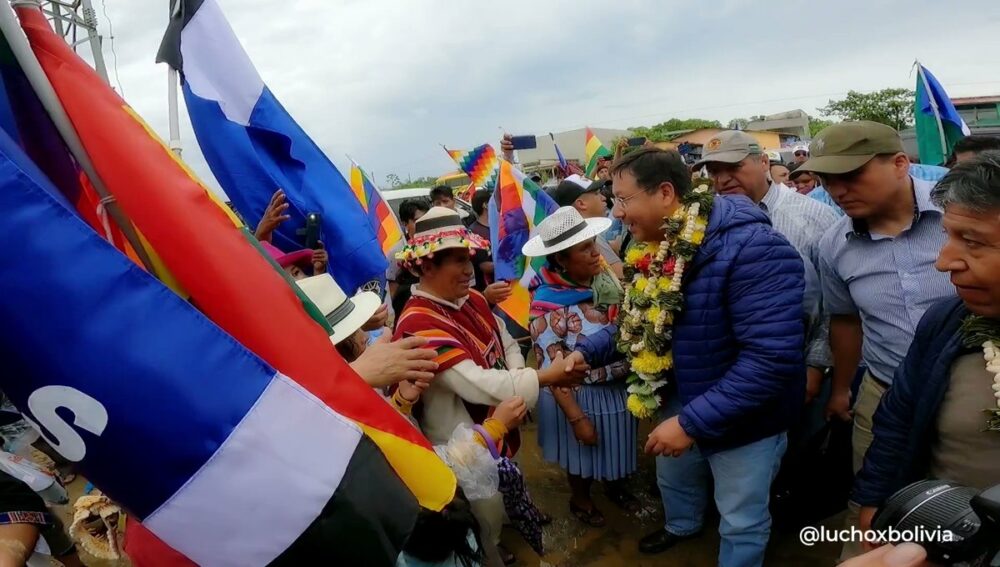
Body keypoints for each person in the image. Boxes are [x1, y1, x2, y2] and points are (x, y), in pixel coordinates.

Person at [577, 148, 805, 566]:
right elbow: (638, 314)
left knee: (740, 516)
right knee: (675, 477)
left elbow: (770, 360)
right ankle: (682, 525)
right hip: (681, 395)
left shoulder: (755, 249)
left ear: (665, 193)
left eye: (623, 200)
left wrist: (689, 423)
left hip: (745, 417)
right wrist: (584, 353)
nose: (617, 213)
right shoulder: (658, 244)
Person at [796, 121, 956, 560]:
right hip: (883, 394)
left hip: (972, 390)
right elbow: (846, 321)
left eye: (851, 175)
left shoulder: (960, 215)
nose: (838, 190)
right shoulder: (833, 246)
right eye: (828, 179)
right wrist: (842, 390)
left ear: (900, 163)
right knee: (872, 510)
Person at [392, 207, 589, 564]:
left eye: (468, 258)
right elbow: (476, 385)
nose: (469, 270)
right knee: (483, 510)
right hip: (460, 439)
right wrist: (541, 378)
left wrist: (514, 384)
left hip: (500, 417)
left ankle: (512, 521)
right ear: (426, 266)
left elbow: (506, 344)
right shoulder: (418, 322)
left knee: (508, 477)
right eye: (457, 260)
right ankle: (491, 548)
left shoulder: (473, 299)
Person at [854, 152, 1000, 535]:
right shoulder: (945, 323)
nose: (944, 262)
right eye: (948, 236)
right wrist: (876, 503)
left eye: (973, 241)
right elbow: (897, 422)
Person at [693, 130, 836, 404]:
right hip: (730, 383)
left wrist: (816, 366)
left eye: (734, 167)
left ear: (763, 162)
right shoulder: (702, 224)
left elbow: (835, 303)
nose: (722, 179)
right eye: (714, 171)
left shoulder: (814, 216)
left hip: (801, 373)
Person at [522, 207, 637, 528]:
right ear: (561, 260)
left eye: (594, 244)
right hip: (578, 395)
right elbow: (553, 370)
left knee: (616, 445)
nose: (595, 253)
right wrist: (577, 419)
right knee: (582, 452)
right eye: (584, 249)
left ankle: (615, 485)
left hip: (616, 386)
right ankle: (581, 499)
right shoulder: (547, 305)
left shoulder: (606, 281)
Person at [548, 175, 624, 279]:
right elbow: (621, 275)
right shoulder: (588, 237)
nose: (603, 198)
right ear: (581, 203)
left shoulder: (592, 234)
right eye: (597, 193)